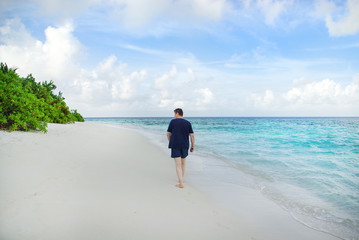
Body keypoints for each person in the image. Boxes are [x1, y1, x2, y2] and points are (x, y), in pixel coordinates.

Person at [167, 108, 195, 189]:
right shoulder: (188, 123)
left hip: (175, 145)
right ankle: (181, 179)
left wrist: (170, 142)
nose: (174, 115)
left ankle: (181, 183)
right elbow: (192, 135)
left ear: (177, 113)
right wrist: (192, 145)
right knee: (183, 164)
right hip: (185, 145)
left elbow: (168, 134)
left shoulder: (173, 122)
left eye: (174, 113)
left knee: (178, 165)